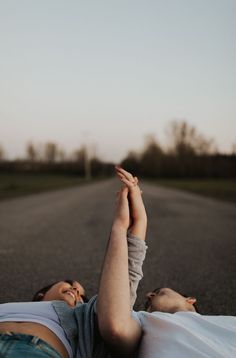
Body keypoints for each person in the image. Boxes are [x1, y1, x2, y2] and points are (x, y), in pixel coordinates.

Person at [0, 167, 147, 358]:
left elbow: (127, 277)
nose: (77, 291)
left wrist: (133, 222)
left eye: (82, 297)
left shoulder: (83, 316)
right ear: (41, 294)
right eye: (70, 284)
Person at [98, 168, 236, 357]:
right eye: (148, 300)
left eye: (158, 291)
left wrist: (138, 218)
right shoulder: (144, 325)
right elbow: (116, 321)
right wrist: (125, 224)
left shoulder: (228, 322)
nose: (148, 295)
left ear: (190, 300)